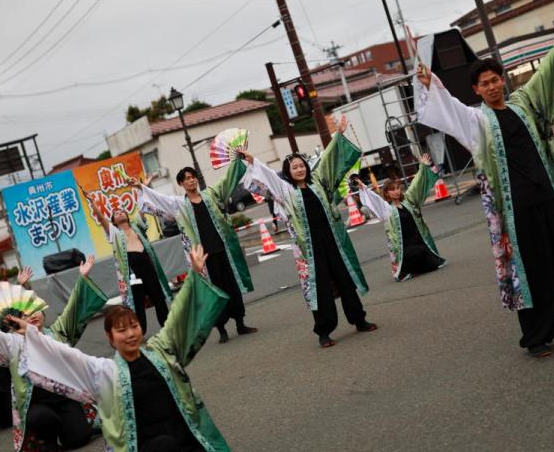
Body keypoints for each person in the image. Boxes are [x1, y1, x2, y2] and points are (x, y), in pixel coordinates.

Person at [415, 4, 554, 358]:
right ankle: (537, 336)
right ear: (477, 90)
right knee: (532, 269)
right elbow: (448, 109)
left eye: (496, 79)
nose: (493, 86)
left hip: (550, 195)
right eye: (485, 83)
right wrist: (432, 85)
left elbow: (546, 74)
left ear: (503, 80)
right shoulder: (475, 121)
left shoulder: (523, 104)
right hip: (516, 208)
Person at [14, 245, 241, 452]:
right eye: (121, 330)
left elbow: (178, 318)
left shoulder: (161, 352)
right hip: (149, 450)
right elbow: (66, 357)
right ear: (110, 338)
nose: (131, 334)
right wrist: (32, 336)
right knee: (163, 448)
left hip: (184, 440)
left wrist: (195, 275)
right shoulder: (104, 372)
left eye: (133, 326)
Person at [240, 117, 377, 349]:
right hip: (309, 250)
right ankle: (324, 331)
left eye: (302, 165)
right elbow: (269, 177)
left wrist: (339, 136)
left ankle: (359, 319)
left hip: (332, 241)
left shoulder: (319, 183)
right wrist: (253, 161)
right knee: (319, 288)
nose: (300, 169)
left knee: (345, 280)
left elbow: (328, 159)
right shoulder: (286, 192)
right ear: (288, 172)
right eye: (294, 167)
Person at [0, 257, 108, 452]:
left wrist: (81, 278)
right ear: (19, 320)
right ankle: (47, 439)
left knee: (79, 439)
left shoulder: (56, 333)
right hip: (37, 403)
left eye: (37, 311)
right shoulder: (12, 343)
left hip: (65, 396)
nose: (34, 316)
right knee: (40, 418)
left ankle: (74, 428)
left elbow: (73, 307)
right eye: (27, 315)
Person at [129, 158, 257, 344]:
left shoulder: (210, 195)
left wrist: (238, 160)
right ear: (181, 183)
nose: (191, 180)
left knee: (232, 287)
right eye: (186, 178)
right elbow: (159, 200)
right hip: (203, 257)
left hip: (222, 250)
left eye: (193, 177)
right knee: (214, 292)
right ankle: (221, 329)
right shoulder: (178, 204)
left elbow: (227, 180)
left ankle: (240, 323)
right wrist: (142, 188)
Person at [356, 155, 446, 281]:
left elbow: (416, 184)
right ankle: (405, 268)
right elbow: (375, 200)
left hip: (419, 240)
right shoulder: (387, 209)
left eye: (398, 188)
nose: (396, 191)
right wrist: (363, 188)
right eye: (392, 190)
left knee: (429, 261)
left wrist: (423, 167)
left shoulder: (408, 201)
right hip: (404, 248)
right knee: (417, 254)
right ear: (387, 193)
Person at [91, 204, 171, 335]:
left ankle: (168, 328)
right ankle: (140, 333)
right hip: (133, 273)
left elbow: (142, 208)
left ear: (127, 216)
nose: (120, 213)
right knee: (138, 305)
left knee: (159, 299)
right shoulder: (115, 233)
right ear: (114, 222)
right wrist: (93, 204)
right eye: (116, 213)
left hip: (148, 268)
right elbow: (101, 219)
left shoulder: (137, 227)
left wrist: (141, 187)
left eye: (122, 211)